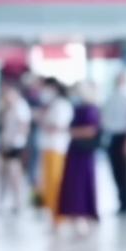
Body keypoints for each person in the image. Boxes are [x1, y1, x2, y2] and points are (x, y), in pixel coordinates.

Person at [55, 83, 101, 235]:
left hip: (84, 152)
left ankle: (84, 215)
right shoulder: (78, 108)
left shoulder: (92, 110)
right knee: (71, 183)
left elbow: (91, 130)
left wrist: (72, 131)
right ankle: (72, 214)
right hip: (74, 151)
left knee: (82, 183)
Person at [102, 70, 126, 214]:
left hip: (124, 136)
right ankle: (120, 200)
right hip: (112, 136)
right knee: (115, 170)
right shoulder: (111, 96)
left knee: (124, 171)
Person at [37, 78, 75, 220]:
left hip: (57, 147)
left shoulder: (62, 105)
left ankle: (59, 214)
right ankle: (53, 212)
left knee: (56, 181)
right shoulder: (53, 105)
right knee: (49, 182)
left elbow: (58, 127)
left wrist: (44, 123)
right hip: (49, 146)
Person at [0, 83, 33, 214]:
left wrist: (19, 140)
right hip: (7, 143)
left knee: (14, 174)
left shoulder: (21, 106)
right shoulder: (8, 107)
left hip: (16, 145)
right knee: (5, 173)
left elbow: (24, 125)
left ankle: (18, 202)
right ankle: (5, 200)